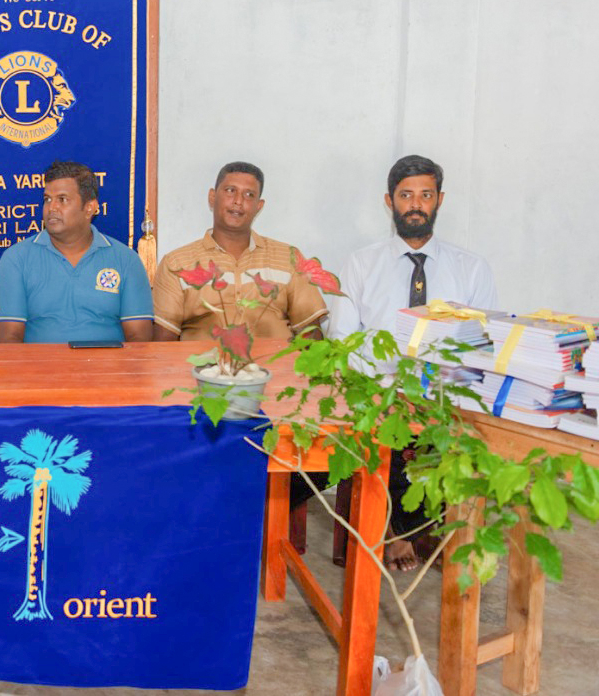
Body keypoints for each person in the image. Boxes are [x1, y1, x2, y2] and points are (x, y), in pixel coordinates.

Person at [326, 154, 497, 570]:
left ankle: (424, 526)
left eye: (425, 195)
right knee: (384, 427)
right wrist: (388, 386)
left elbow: (483, 345)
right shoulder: (360, 263)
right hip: (379, 391)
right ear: (390, 201)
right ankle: (397, 529)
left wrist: (435, 387)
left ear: (440, 200)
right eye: (406, 195)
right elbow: (342, 340)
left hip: (445, 394)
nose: (416, 204)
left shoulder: (472, 268)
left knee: (462, 435)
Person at [152, 161, 327, 342]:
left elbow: (312, 335)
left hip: (276, 360)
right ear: (212, 197)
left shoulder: (289, 259)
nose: (238, 201)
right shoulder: (177, 263)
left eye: (249, 195)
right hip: (203, 360)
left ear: (259, 206)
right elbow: (163, 342)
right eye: (230, 191)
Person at [0, 160, 153, 343]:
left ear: (90, 208)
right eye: (47, 199)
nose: (52, 208)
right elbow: (10, 339)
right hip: (40, 361)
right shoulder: (16, 259)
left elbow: (139, 338)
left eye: (62, 199)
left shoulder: (126, 260)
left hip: (108, 361)